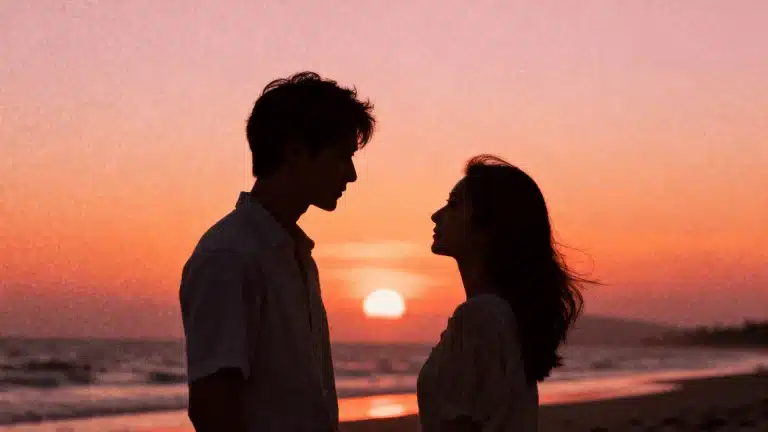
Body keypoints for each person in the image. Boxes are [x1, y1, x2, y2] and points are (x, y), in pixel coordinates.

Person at [179, 71, 375, 432]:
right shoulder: (229, 256)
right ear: (296, 152)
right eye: (341, 157)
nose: (351, 175)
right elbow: (211, 405)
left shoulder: (294, 255)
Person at [417, 155, 589, 432]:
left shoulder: (482, 316)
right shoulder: (501, 316)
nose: (436, 215)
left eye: (453, 204)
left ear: (489, 225)